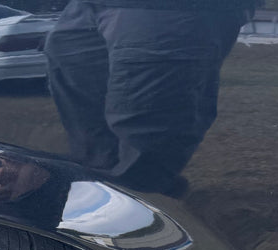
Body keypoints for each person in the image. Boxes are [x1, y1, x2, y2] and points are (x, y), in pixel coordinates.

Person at [44, 0, 251, 197]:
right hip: (90, 7)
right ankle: (105, 194)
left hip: (170, 9)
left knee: (144, 127)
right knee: (90, 137)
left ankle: (138, 213)